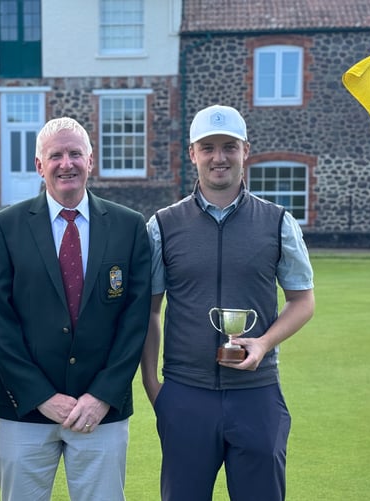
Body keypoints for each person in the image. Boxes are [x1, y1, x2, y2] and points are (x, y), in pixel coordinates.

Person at [141, 105, 315, 501]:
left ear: (245, 151)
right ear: (192, 153)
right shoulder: (163, 225)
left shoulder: (277, 221)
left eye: (229, 147)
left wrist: (264, 343)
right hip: (186, 393)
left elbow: (303, 301)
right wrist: (155, 388)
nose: (219, 157)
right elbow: (150, 311)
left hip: (257, 394)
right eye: (208, 148)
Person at [0, 117, 151, 501]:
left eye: (75, 153)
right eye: (55, 155)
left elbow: (135, 320)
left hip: (101, 412)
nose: (66, 163)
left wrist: (102, 395)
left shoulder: (129, 226)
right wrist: (41, 396)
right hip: (23, 409)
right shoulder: (5, 227)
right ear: (39, 166)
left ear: (91, 160)